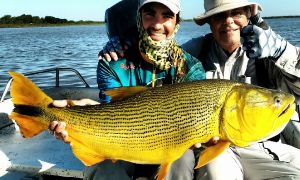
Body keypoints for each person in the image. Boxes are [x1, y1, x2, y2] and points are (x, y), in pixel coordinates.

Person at [98, 0, 300, 179]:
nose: (228, 21)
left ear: (249, 15)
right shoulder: (192, 53)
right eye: (219, 16)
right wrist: (125, 42)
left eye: (236, 13)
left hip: (264, 146)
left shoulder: (270, 49)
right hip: (216, 151)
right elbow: (160, 46)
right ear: (209, 23)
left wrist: (281, 50)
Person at [50, 0, 209, 179]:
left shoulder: (190, 67)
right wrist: (76, 120)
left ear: (176, 22)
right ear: (139, 18)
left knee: (183, 158)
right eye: (150, 14)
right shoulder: (112, 61)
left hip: (170, 145)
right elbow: (112, 111)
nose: (157, 25)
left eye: (167, 16)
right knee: (102, 166)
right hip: (122, 142)